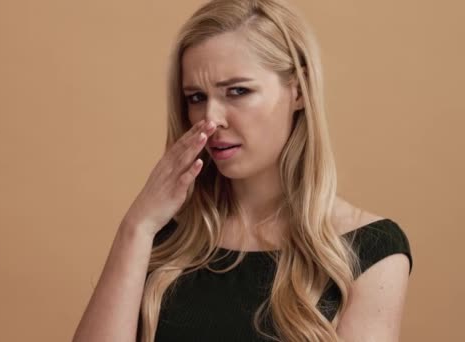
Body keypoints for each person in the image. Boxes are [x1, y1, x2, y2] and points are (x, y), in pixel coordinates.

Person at [72, 0, 413, 341]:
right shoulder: (161, 237)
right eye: (195, 97)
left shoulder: (371, 250)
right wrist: (136, 226)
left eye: (238, 91)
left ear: (298, 91)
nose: (212, 118)